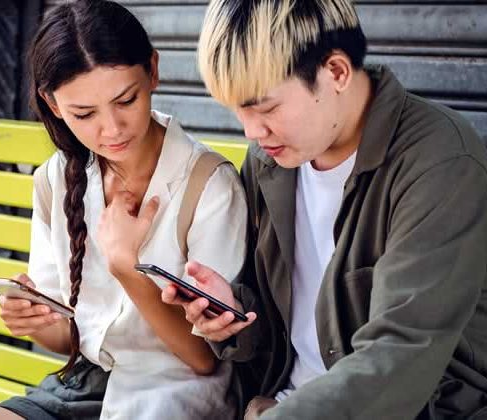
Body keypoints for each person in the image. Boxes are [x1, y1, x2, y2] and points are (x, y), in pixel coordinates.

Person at [161, 0, 487, 419]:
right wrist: (235, 316)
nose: (251, 132)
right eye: (238, 112)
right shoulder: (269, 163)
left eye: (266, 108)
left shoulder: (440, 162)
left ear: (335, 72)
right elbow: (288, 332)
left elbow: (401, 353)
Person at [0, 1, 247, 419]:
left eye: (126, 99)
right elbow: (68, 338)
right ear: (53, 106)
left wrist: (127, 267)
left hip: (173, 394)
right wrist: (35, 320)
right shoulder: (57, 179)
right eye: (84, 113)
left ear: (154, 71)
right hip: (83, 387)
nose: (111, 129)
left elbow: (204, 359)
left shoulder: (210, 186)